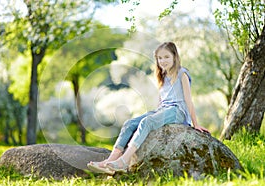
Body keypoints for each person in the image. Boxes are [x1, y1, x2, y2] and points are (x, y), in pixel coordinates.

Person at [87, 42, 209, 175]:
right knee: (129, 124)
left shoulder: (182, 73)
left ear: (175, 56)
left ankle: (124, 161)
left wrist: (195, 124)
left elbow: (188, 100)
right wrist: (156, 113)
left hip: (177, 111)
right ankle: (108, 162)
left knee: (147, 122)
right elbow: (161, 101)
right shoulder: (162, 75)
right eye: (159, 58)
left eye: (166, 57)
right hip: (163, 110)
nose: (163, 61)